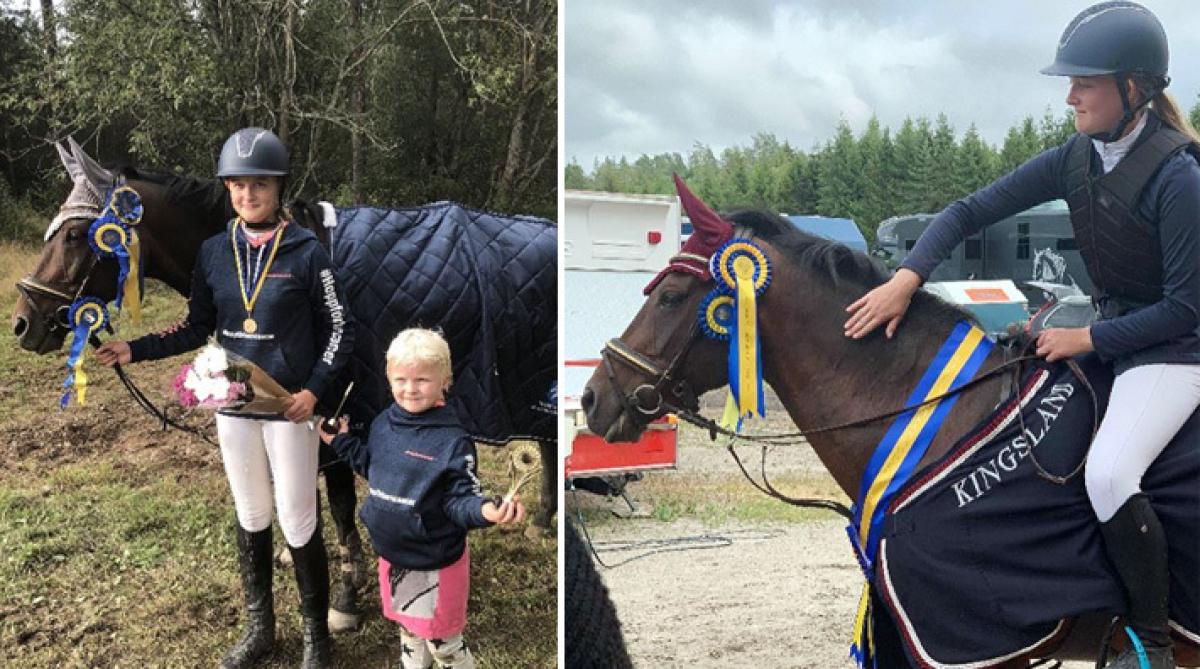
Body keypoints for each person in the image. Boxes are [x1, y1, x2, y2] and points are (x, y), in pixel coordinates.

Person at [845, 4, 1198, 667]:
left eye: (1085, 83)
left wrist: (1085, 339)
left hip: (1175, 353)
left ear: (1133, 88)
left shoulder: (1179, 178)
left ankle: (1150, 641)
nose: (1070, 97)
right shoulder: (1075, 159)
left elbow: (1184, 309)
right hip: (1112, 339)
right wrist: (906, 279)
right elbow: (968, 211)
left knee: (1110, 472)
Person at [96, 127, 354, 669]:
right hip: (235, 402)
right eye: (237, 185)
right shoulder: (215, 253)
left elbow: (339, 329)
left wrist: (314, 391)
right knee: (251, 511)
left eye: (259, 185)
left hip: (289, 407)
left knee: (297, 518)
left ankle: (316, 638)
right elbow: (196, 326)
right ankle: (261, 628)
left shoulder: (307, 253)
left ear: (278, 188)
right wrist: (133, 350)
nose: (247, 195)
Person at [318, 327, 524, 669]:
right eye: (401, 379)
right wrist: (340, 441)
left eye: (422, 380)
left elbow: (459, 499)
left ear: (445, 380)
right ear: (389, 378)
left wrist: (486, 510)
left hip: (434, 562)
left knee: (444, 645)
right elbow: (372, 466)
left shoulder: (452, 441)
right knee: (410, 631)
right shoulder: (383, 424)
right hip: (394, 556)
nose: (410, 389)